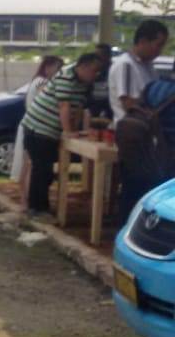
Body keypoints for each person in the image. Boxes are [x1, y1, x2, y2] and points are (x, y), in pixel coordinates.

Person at [20, 53, 105, 217]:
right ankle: (37, 209)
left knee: (44, 170)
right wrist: (68, 132)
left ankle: (39, 207)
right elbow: (64, 106)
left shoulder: (83, 84)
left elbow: (77, 109)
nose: (96, 75)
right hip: (38, 128)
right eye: (94, 71)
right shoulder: (66, 76)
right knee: (42, 170)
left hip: (49, 131)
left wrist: (75, 130)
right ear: (84, 67)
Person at [110, 20, 169, 220]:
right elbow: (127, 102)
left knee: (148, 187)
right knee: (134, 186)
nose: (159, 50)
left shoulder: (148, 66)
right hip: (132, 136)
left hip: (147, 136)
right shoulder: (125, 65)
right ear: (143, 41)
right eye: (158, 44)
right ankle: (126, 227)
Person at [11, 55, 64, 202]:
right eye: (57, 68)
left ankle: (24, 199)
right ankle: (27, 199)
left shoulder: (36, 80)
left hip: (29, 124)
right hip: (36, 125)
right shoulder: (43, 82)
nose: (59, 72)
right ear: (47, 67)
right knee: (31, 166)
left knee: (27, 164)